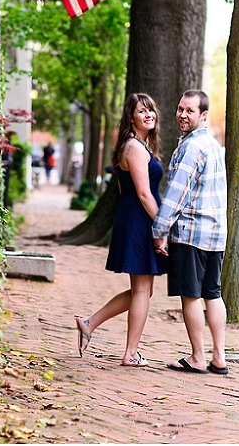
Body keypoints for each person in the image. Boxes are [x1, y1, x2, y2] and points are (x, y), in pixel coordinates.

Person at [75, 93, 167, 366]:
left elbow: (122, 188)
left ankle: (89, 323)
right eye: (142, 111)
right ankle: (130, 353)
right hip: (140, 221)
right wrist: (161, 228)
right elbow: (142, 193)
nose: (149, 114)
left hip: (135, 219)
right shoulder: (136, 148)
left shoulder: (136, 145)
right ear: (131, 117)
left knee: (143, 290)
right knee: (141, 291)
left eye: (151, 110)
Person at [152, 89, 230, 376]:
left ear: (204, 115)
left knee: (191, 295)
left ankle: (198, 356)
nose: (183, 115)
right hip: (215, 233)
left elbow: (176, 194)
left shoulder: (190, 148)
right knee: (213, 293)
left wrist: (159, 230)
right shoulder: (213, 145)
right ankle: (219, 357)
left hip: (190, 232)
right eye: (180, 109)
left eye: (190, 111)